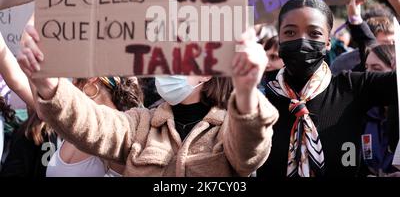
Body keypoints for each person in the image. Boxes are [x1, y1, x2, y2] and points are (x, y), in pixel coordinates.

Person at [17, 28, 279, 177]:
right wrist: (50, 85)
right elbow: (93, 124)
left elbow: (249, 154)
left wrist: (245, 93)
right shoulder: (141, 123)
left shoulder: (228, 128)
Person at [256, 0, 400, 177]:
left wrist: (398, 2)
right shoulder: (259, 100)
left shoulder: (353, 86)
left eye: (314, 33)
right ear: (280, 39)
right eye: (290, 32)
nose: (302, 41)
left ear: (327, 42)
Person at [46, 76, 143, 177]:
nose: (72, 82)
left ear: (92, 78)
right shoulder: (77, 121)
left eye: (74, 76)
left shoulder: (118, 130)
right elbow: (43, 110)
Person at [361, 44, 399, 176]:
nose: (368, 75)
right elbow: (351, 159)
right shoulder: (364, 113)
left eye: (376, 69)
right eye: (366, 68)